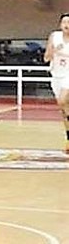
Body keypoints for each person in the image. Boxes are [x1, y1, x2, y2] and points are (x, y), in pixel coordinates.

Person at [43, 13, 69, 153]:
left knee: (62, 100)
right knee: (64, 110)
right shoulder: (54, 36)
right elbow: (46, 58)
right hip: (56, 75)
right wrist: (55, 51)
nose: (67, 25)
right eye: (64, 22)